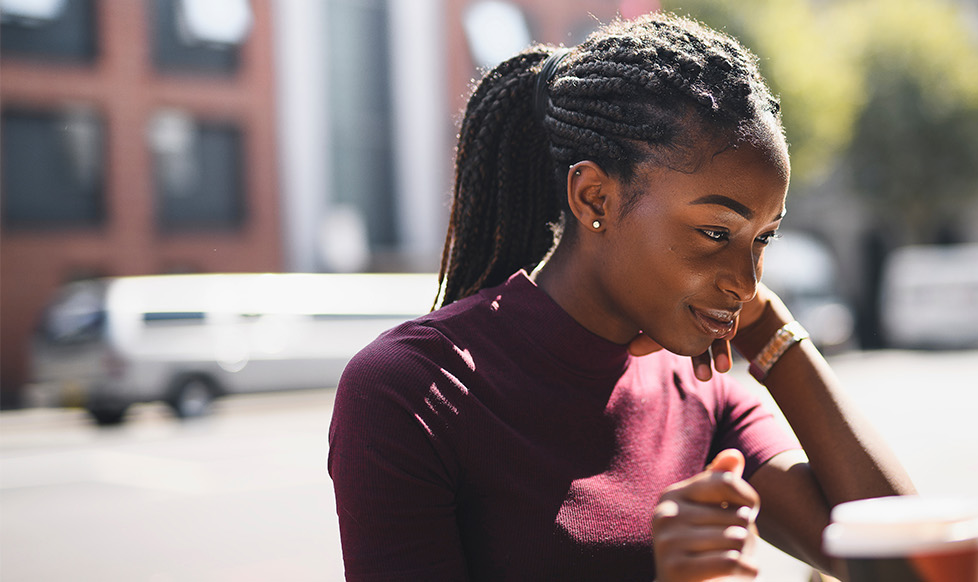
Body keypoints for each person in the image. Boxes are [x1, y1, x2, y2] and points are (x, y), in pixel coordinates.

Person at [327, 13, 913, 582]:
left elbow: (907, 563)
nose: (747, 279)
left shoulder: (699, 396)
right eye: (715, 233)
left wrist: (772, 335)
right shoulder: (412, 389)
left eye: (763, 238)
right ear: (594, 199)